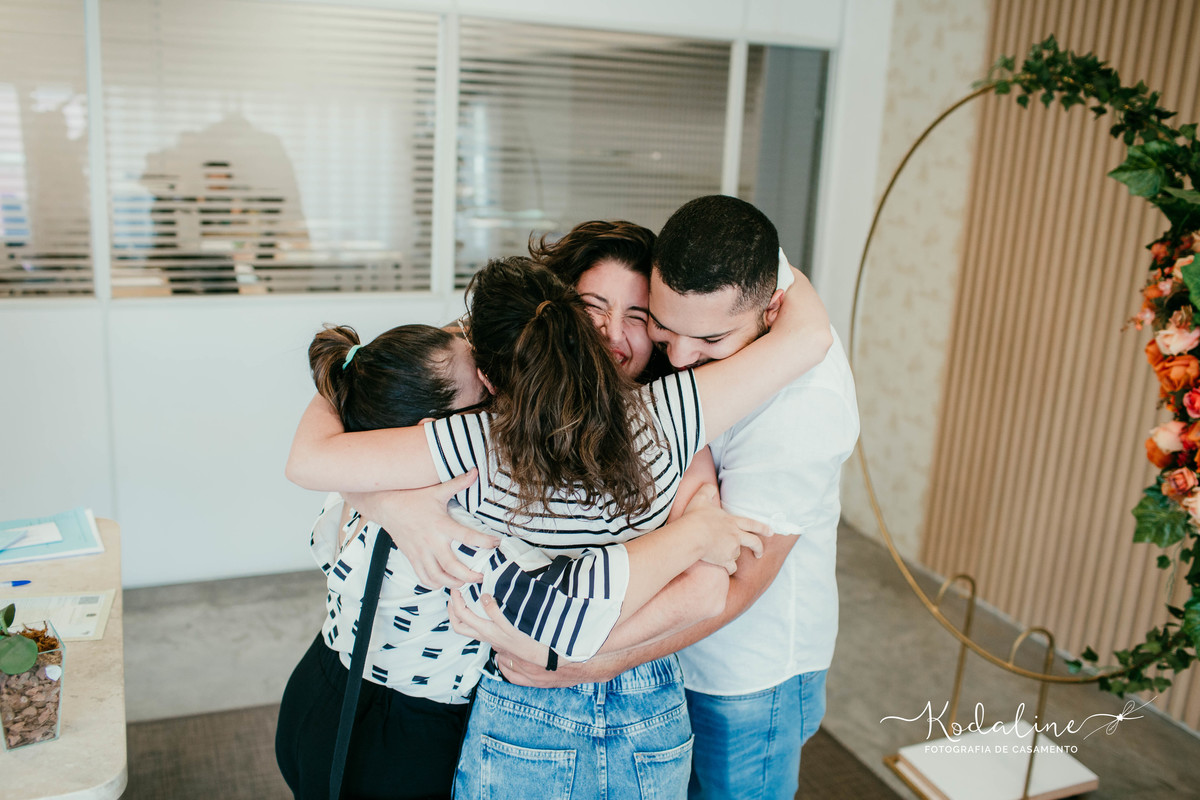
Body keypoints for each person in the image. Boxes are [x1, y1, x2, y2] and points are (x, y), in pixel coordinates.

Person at [286, 254, 833, 799]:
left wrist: (381, 502)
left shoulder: (465, 449)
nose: (611, 330)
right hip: (445, 720)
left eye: (639, 317)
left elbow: (315, 465)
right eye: (592, 308)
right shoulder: (669, 414)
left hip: (335, 692)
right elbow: (808, 336)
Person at [454, 195, 860, 800]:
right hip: (657, 659)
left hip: (744, 673)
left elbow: (737, 582)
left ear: (771, 309)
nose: (682, 358)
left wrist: (590, 659)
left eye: (709, 342)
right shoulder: (672, 330)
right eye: (665, 330)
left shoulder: (802, 406)